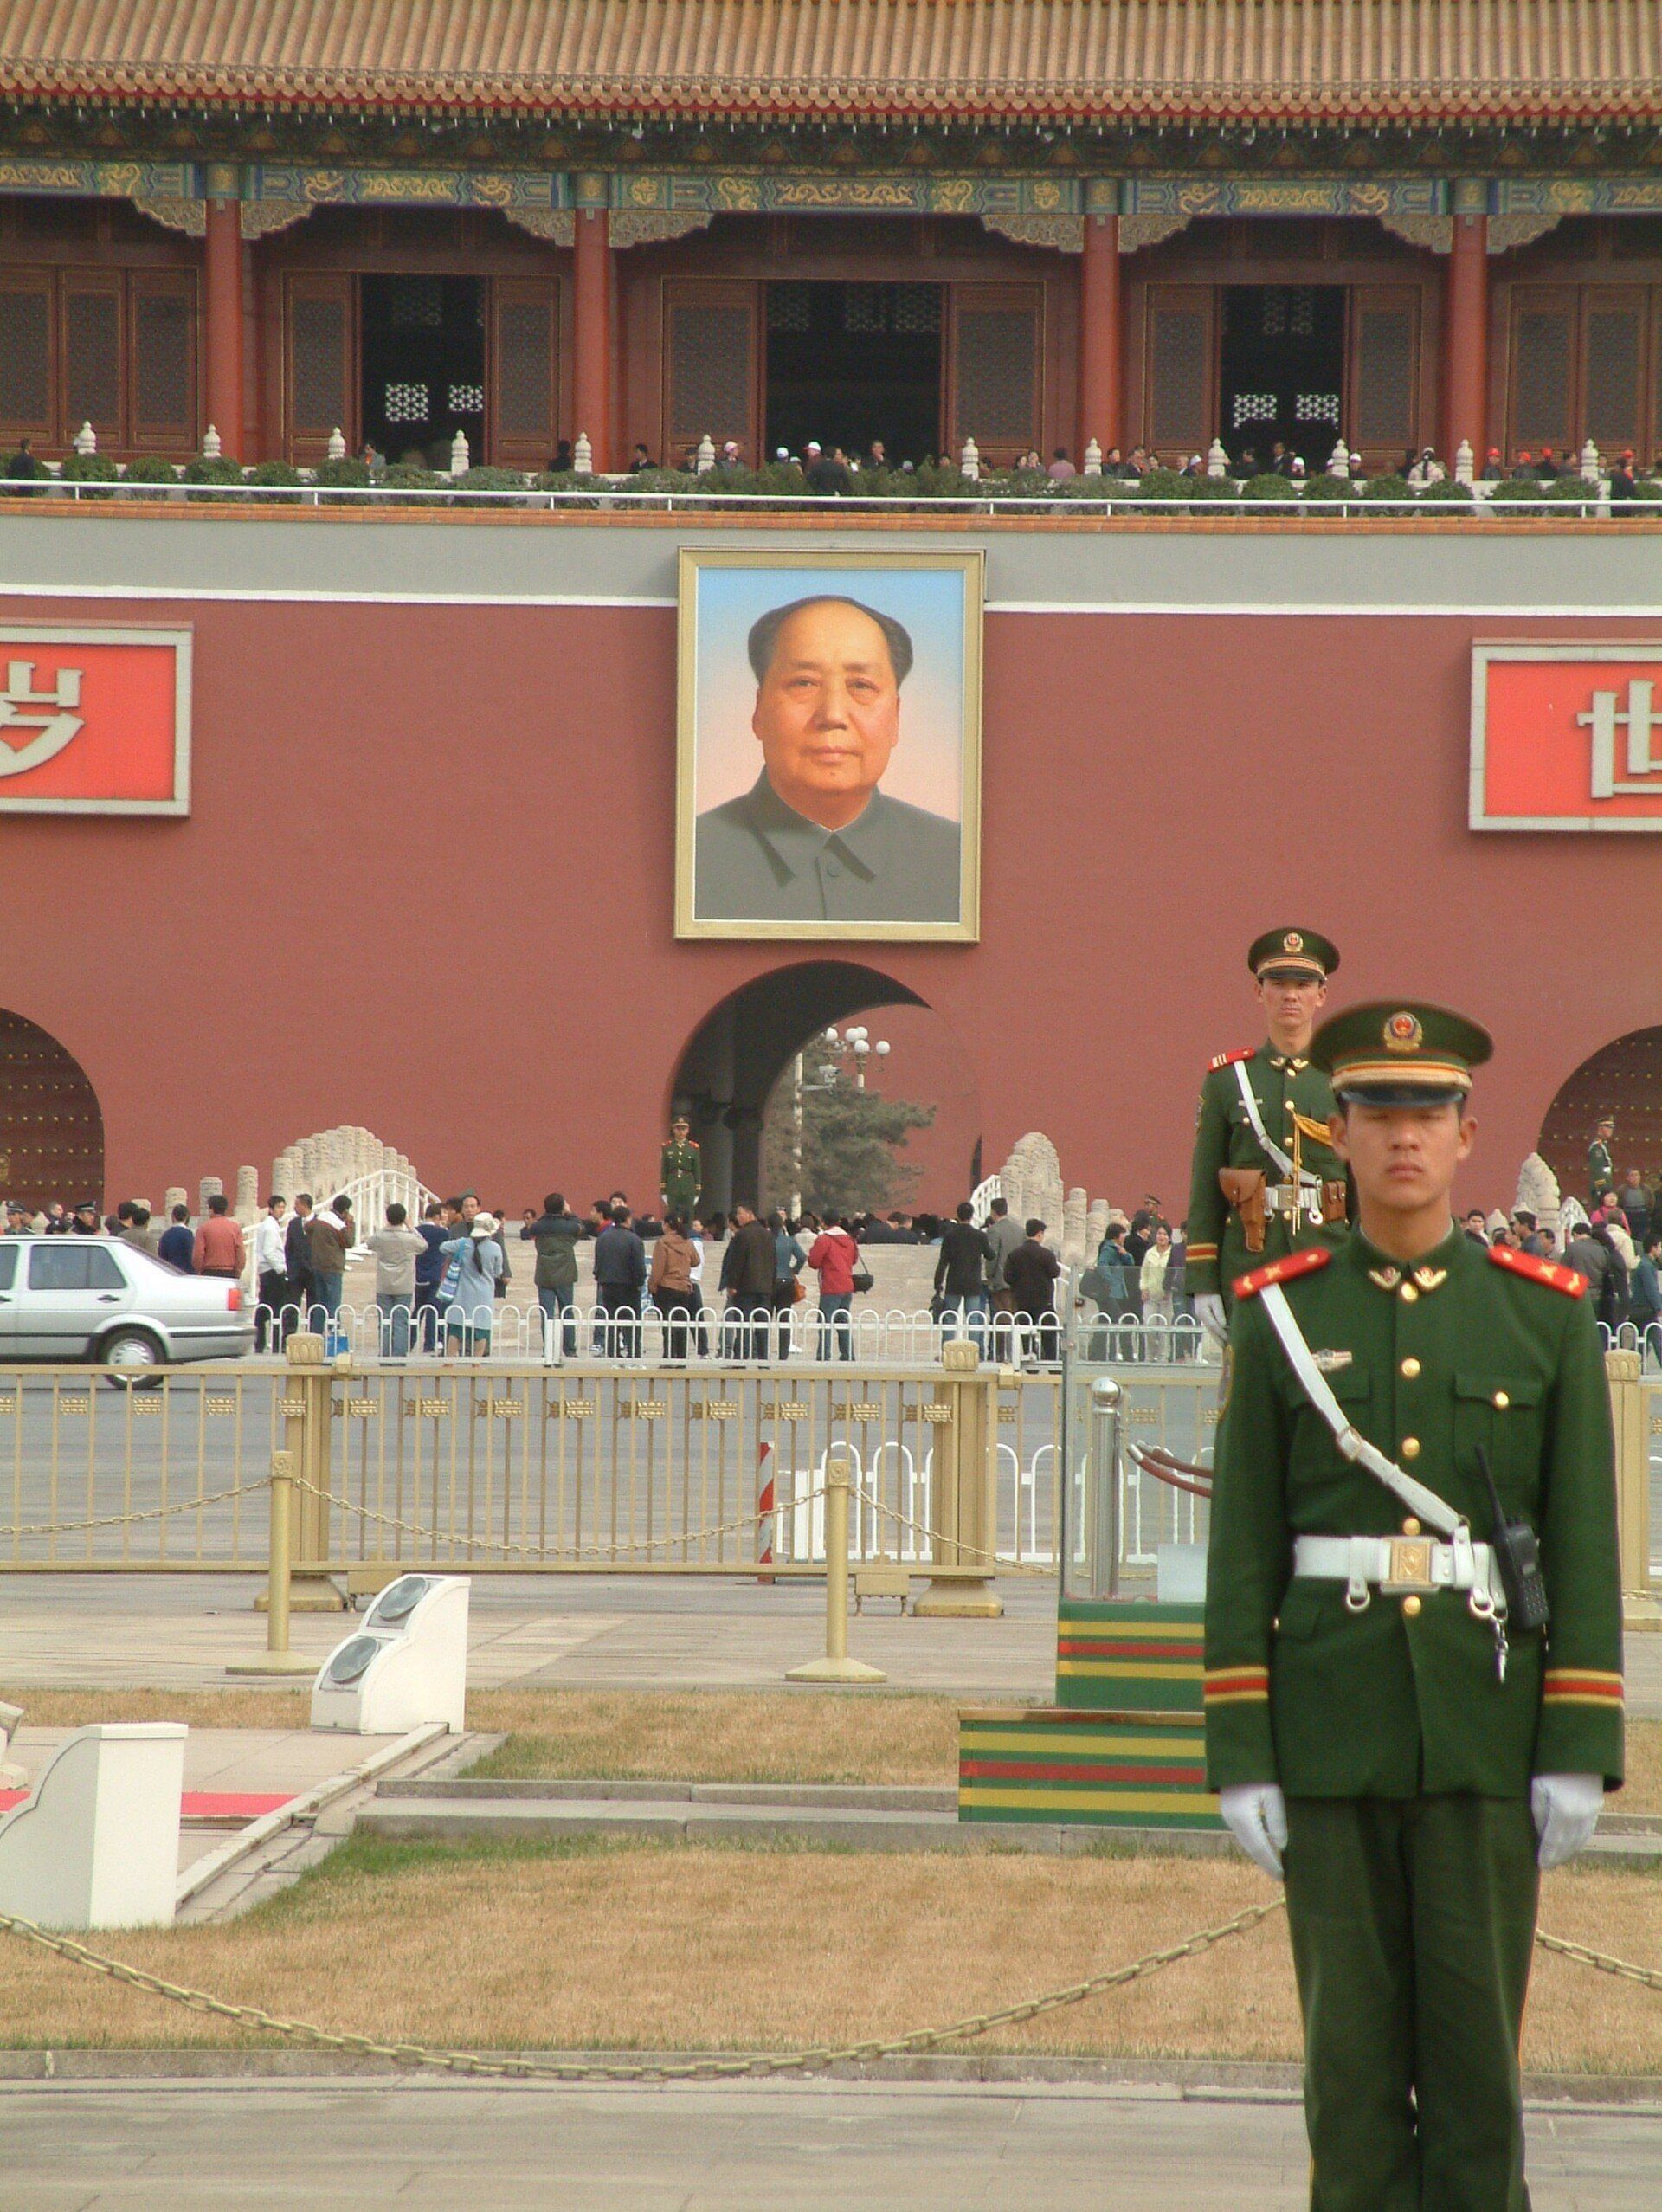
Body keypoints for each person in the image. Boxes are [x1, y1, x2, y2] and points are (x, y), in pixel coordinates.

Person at [1205, 1000, 1621, 2210]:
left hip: (1485, 1725)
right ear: (1337, 1131)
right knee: (1348, 2078)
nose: (1403, 1135)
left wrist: (1579, 1740)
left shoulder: (1542, 1308)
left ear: (1466, 1134)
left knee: (1478, 2073)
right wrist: (1242, 1748)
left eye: (1428, 1112)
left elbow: (1582, 1539)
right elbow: (1243, 1546)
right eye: (1378, 1111)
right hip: (1329, 1725)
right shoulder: (1282, 1308)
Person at [693, 595, 960, 925]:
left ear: (896, 717)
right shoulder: (690, 857)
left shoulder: (958, 860)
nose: (833, 715)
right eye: (804, 683)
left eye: (861, 686)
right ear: (759, 711)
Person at [1186, 928, 1346, 1340]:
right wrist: (1203, 1281)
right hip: (1249, 1262)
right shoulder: (1228, 1080)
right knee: (1251, 1379)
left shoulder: (1342, 1079)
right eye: (1278, 983)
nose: (1291, 996)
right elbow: (1205, 1185)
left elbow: (1362, 1182)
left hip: (1329, 1261)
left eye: (1303, 985)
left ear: (1321, 995)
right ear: (1259, 992)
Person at [520, 1191, 581, 1356]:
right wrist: (570, 1213)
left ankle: (548, 1349)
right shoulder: (569, 1226)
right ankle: (569, 1349)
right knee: (567, 1311)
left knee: (546, 1313)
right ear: (562, 1207)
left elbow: (533, 1227)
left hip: (544, 1274)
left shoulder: (538, 1226)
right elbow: (580, 1228)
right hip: (565, 1273)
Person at [364, 1202, 424, 1358]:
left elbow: (369, 1243)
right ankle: (399, 1355)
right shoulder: (409, 1239)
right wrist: (411, 1227)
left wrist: (386, 1227)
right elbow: (424, 1245)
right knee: (401, 1322)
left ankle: (385, 1354)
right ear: (404, 1218)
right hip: (404, 1285)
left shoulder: (381, 1237)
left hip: (384, 1284)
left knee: (385, 1321)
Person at [440, 1212, 504, 1357]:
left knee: (456, 1330)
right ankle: (476, 1362)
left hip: (463, 1294)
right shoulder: (495, 1248)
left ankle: (449, 1362)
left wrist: (455, 1255)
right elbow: (498, 1272)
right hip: (484, 1295)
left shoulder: (463, 1244)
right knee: (481, 1330)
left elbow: (443, 1247)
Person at [720, 1202, 777, 1361]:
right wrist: (771, 1284)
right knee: (762, 1325)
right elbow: (773, 1262)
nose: (738, 1217)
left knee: (744, 1324)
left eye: (740, 1213)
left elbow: (737, 1262)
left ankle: (742, 1357)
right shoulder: (768, 1235)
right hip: (764, 1287)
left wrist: (732, 1285)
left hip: (745, 1287)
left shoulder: (742, 1235)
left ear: (750, 1213)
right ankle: (763, 1358)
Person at [933, 1200, 993, 1348]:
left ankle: (947, 1350)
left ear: (958, 1216)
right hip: (973, 1282)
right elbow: (990, 1255)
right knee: (973, 1318)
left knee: (950, 1317)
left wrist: (938, 1283)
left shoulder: (950, 1236)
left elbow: (943, 1262)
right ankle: (974, 1350)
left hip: (954, 1281)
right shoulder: (979, 1236)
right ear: (972, 1216)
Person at [593, 1203, 647, 1358]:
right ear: (627, 1219)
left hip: (608, 1284)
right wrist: (640, 1282)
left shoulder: (603, 1238)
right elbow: (638, 1266)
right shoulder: (634, 1240)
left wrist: (600, 1278)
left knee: (612, 1321)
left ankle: (613, 1352)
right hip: (629, 1286)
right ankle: (633, 1352)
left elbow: (598, 1263)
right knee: (631, 1322)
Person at [1004, 1218, 1061, 1367]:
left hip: (1022, 1300)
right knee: (1049, 1333)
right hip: (1044, 1300)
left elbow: (1008, 1277)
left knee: (1026, 1333)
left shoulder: (1015, 1254)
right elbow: (1055, 1272)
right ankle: (1052, 1363)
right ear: (1040, 1234)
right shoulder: (1046, 1254)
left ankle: (1030, 1364)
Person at [806, 1208, 859, 1359]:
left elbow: (814, 1262)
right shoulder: (849, 1239)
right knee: (843, 1320)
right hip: (847, 1285)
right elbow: (854, 1260)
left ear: (823, 1222)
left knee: (825, 1321)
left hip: (830, 1286)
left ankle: (824, 1354)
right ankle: (847, 1354)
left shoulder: (824, 1239)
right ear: (839, 1221)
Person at [649, 1212, 701, 1362]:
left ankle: (669, 1356)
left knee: (668, 1324)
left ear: (666, 1225)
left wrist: (652, 1285)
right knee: (681, 1323)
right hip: (684, 1287)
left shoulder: (662, 1243)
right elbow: (696, 1261)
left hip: (666, 1287)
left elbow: (658, 1269)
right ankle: (681, 1357)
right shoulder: (687, 1242)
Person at [306, 1196, 353, 1328]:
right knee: (333, 1304)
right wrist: (350, 1224)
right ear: (345, 1211)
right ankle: (333, 1334)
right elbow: (349, 1242)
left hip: (317, 1265)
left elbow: (307, 1228)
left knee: (320, 1303)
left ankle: (316, 1333)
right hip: (333, 1268)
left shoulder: (321, 1218)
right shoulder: (339, 1225)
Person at [768, 1208, 808, 1358]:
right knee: (784, 1318)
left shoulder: (766, 1241)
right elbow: (802, 1257)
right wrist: (794, 1270)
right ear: (782, 1224)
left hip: (769, 1281)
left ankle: (763, 1352)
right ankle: (783, 1354)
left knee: (765, 1317)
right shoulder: (789, 1241)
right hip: (786, 1281)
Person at [253, 1197, 288, 1349]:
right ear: (271, 1209)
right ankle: (274, 1343)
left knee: (265, 1307)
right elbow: (268, 1252)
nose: (282, 1210)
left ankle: (261, 1342)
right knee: (275, 1309)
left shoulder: (269, 1225)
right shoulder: (270, 1228)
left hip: (267, 1270)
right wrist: (280, 1269)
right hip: (272, 1271)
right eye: (279, 1207)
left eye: (283, 1207)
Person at [192, 1192, 246, 1282]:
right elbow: (240, 1251)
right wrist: (239, 1269)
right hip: (230, 1271)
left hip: (209, 1272)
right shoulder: (235, 1227)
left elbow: (198, 1253)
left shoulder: (203, 1228)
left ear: (211, 1209)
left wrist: (199, 1270)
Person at [1139, 1221, 1175, 1356]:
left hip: (1167, 1297)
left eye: (1165, 1234)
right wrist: (1144, 1289)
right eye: (1159, 1233)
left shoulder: (1173, 1253)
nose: (1162, 1237)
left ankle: (1162, 1357)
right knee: (1150, 1327)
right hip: (1151, 1296)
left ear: (1169, 1237)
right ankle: (1150, 1356)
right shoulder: (1150, 1253)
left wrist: (1170, 1289)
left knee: (1164, 1330)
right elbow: (1144, 1273)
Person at [660, 1118, 702, 1222]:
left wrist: (697, 1191)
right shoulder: (667, 1147)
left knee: (688, 1216)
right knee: (672, 1216)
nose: (681, 1132)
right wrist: (663, 1190)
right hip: (672, 1185)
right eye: (678, 1129)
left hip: (688, 1185)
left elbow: (697, 1170)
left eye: (683, 1129)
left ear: (688, 1130)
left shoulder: (693, 1147)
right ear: (673, 1130)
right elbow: (664, 1169)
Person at [1630, 1230, 1662, 1365]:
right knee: (1656, 1337)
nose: (1660, 1250)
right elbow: (1651, 1288)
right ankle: (1633, 1364)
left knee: (1643, 1341)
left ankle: (1634, 1365)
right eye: (1660, 1247)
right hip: (1645, 1308)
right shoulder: (1646, 1266)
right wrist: (1658, 1306)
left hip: (1640, 1307)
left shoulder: (1644, 1264)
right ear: (1653, 1248)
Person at [1617, 1166, 1652, 1247]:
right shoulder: (1622, 1190)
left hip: (1643, 1218)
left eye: (1637, 1175)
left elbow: (1651, 1203)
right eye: (1632, 1175)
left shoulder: (1646, 1189)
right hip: (1628, 1217)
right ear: (1627, 1178)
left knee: (1642, 1240)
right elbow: (1619, 1204)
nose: (1635, 1178)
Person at [156, 1202, 194, 1273]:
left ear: (173, 1216)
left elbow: (161, 1256)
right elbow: (191, 1255)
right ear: (186, 1217)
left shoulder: (166, 1235)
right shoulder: (188, 1234)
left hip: (170, 1270)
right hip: (185, 1271)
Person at [1588, 1116, 1614, 1207]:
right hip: (1600, 1187)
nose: (1611, 1130)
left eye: (1612, 1127)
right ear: (1600, 1128)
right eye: (1608, 1127)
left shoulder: (1604, 1145)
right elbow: (1597, 1169)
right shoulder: (1597, 1148)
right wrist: (1603, 1187)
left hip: (1606, 1185)